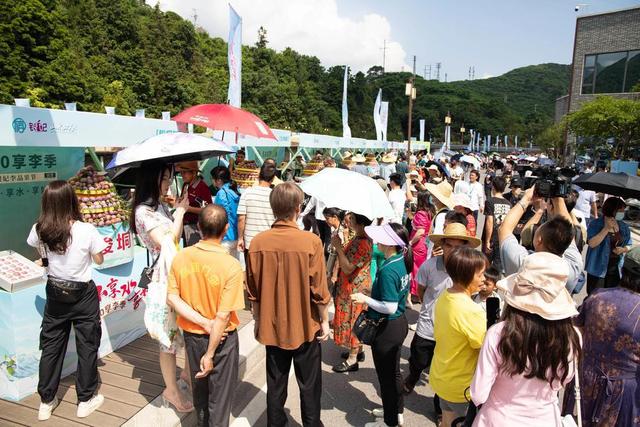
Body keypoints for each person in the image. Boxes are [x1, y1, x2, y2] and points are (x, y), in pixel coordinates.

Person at [246, 182, 331, 427]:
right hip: (306, 326)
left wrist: (258, 320)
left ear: (273, 208)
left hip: (272, 326)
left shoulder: (258, 243)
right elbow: (320, 290)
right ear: (298, 208)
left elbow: (253, 291)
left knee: (275, 384)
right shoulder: (311, 242)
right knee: (310, 385)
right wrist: (324, 321)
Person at [471, 252, 581, 426]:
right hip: (546, 419)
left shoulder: (498, 333)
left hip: (498, 418)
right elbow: (565, 379)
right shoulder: (572, 338)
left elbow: (478, 394)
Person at [29, 181, 107, 421]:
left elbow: (40, 255)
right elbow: (100, 259)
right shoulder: (86, 230)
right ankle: (85, 400)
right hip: (82, 294)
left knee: (51, 346)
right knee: (87, 345)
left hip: (54, 293)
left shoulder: (39, 228)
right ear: (71, 200)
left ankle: (46, 401)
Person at [167, 205, 245, 427]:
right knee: (219, 402)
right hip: (222, 341)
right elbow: (222, 316)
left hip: (193, 336)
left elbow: (172, 298)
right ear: (226, 228)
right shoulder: (231, 265)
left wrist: (202, 322)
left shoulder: (182, 257)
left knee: (200, 396)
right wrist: (210, 352)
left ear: (199, 227)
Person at [404, 223, 482, 424]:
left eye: (459, 246)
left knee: (444, 370)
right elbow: (420, 291)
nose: (453, 250)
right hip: (429, 326)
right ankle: (412, 378)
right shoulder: (430, 266)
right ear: (442, 245)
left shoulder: (470, 272)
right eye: (450, 245)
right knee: (419, 359)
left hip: (453, 334)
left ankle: (440, 410)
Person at [131, 161, 194, 413]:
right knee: (168, 339)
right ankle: (171, 390)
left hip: (176, 274)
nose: (169, 182)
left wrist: (176, 209)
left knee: (186, 329)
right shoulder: (143, 212)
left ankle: (187, 377)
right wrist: (179, 212)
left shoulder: (159, 207)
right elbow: (168, 241)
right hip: (163, 279)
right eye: (165, 178)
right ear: (153, 179)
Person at [568, 246, 640, 426]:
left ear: (623, 270)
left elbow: (576, 331)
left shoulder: (597, 297)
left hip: (586, 381)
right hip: (624, 395)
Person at [351, 223, 412, 427]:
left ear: (389, 243)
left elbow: (389, 306)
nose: (376, 241)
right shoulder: (401, 259)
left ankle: (390, 421)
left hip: (388, 328)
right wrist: (373, 294)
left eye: (380, 238)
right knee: (394, 372)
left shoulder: (388, 269)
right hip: (399, 325)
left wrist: (364, 298)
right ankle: (396, 411)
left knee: (386, 378)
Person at [429, 247, 487, 427]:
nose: (484, 279)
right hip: (461, 385)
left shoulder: (445, 296)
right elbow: (485, 347)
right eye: (481, 275)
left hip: (442, 377)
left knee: (447, 420)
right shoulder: (470, 310)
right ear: (467, 275)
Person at [498, 187, 585, 293]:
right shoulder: (571, 269)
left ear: (539, 240)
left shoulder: (524, 263)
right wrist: (559, 198)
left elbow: (504, 229)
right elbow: (567, 231)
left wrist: (526, 199)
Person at [331, 212, 373, 372]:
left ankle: (352, 359)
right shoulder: (361, 237)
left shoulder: (363, 242)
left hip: (354, 287)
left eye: (353, 218)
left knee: (354, 319)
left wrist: (338, 248)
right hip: (352, 285)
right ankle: (358, 350)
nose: (349, 220)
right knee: (355, 318)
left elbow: (348, 268)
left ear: (360, 223)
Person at [585, 197, 631, 294]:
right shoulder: (595, 224)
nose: (623, 213)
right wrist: (606, 229)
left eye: (624, 211)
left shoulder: (624, 226)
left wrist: (623, 249)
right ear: (612, 210)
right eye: (620, 211)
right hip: (597, 268)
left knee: (611, 299)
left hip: (615, 269)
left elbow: (629, 244)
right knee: (594, 297)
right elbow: (592, 243)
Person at [236, 162, 276, 256]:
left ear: (259, 175)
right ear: (273, 178)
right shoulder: (275, 195)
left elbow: (241, 218)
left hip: (250, 243)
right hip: (269, 243)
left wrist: (240, 238)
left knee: (251, 270)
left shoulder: (247, 193)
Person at [176, 161, 213, 247]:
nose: (182, 175)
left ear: (194, 173)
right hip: (185, 226)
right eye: (181, 172)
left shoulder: (202, 187)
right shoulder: (185, 185)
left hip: (196, 228)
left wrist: (187, 208)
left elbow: (207, 209)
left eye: (184, 172)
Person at [483, 176, 511, 272]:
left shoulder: (490, 201)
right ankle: (495, 285)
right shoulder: (508, 204)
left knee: (485, 265)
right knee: (497, 267)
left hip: (491, 238)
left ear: (493, 187)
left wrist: (487, 240)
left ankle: (484, 285)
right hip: (502, 238)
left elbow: (490, 221)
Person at [409, 192, 434, 299]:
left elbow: (420, 232)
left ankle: (416, 292)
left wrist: (410, 242)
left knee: (416, 269)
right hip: (425, 243)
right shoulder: (430, 212)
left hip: (418, 245)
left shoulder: (420, 214)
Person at [212, 167, 241, 260]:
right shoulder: (235, 191)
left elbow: (217, 215)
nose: (212, 181)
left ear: (219, 180)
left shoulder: (221, 193)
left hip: (225, 237)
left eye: (212, 178)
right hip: (236, 236)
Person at [323, 207, 347, 294]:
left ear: (335, 217)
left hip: (337, 270)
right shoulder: (335, 231)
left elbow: (339, 255)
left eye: (327, 218)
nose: (326, 221)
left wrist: (334, 275)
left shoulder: (341, 233)